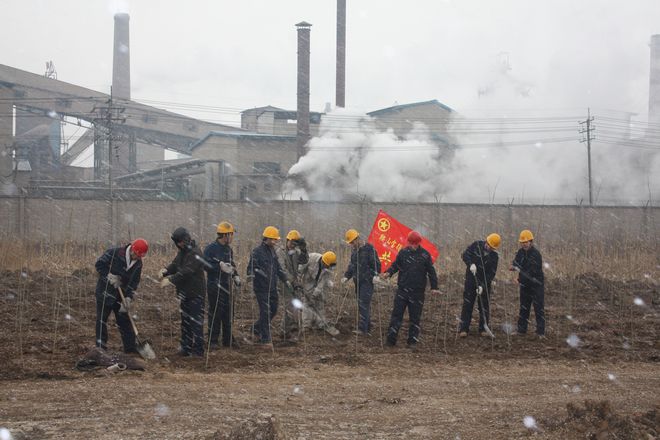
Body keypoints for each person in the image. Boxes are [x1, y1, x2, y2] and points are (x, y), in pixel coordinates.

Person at [381, 231, 439, 347]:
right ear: (408, 242)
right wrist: (388, 273)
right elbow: (395, 265)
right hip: (402, 290)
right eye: (411, 243)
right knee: (396, 316)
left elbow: (431, 272)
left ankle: (412, 341)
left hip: (417, 292)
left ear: (419, 243)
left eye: (415, 243)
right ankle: (391, 340)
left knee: (415, 318)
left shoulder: (425, 255)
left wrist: (434, 287)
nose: (413, 246)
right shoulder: (403, 253)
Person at [94, 238, 149, 353]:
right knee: (101, 320)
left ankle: (130, 348)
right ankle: (101, 348)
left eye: (140, 256)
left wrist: (128, 297)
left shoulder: (138, 264)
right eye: (136, 255)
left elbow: (134, 282)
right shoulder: (114, 253)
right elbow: (99, 264)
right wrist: (109, 276)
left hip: (121, 296)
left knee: (125, 321)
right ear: (132, 249)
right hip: (105, 292)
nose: (137, 258)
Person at [160, 227, 206, 357]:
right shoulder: (182, 252)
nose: (179, 244)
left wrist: (171, 280)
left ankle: (198, 350)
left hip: (195, 294)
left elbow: (187, 271)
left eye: (180, 242)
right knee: (185, 323)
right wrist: (165, 271)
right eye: (177, 242)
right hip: (184, 293)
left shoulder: (195, 253)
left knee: (196, 323)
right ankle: (186, 347)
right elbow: (175, 265)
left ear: (186, 239)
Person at [247, 226, 289, 346]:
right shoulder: (257, 252)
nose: (275, 242)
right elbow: (250, 267)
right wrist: (251, 275)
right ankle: (265, 339)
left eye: (276, 240)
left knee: (273, 310)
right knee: (265, 312)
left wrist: (285, 279)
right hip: (261, 288)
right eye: (274, 239)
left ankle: (256, 328)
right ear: (267, 239)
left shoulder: (272, 252)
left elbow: (278, 268)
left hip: (272, 287)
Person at [203, 221, 241, 350]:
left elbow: (231, 264)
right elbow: (205, 265)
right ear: (225, 235)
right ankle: (213, 340)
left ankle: (227, 339)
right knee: (215, 312)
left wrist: (235, 275)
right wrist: (218, 266)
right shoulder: (210, 249)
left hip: (227, 285)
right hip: (214, 285)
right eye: (231, 234)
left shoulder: (228, 249)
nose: (232, 237)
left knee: (228, 313)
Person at [458, 233, 500, 337]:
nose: (488, 247)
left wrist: (482, 286)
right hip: (471, 280)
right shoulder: (476, 245)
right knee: (468, 304)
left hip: (484, 283)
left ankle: (483, 329)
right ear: (486, 241)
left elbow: (491, 274)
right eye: (488, 244)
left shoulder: (494, 256)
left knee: (484, 306)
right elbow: (465, 254)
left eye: (491, 247)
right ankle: (464, 329)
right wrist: (470, 264)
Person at [342, 229, 381, 335]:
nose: (352, 245)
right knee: (361, 304)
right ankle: (367, 326)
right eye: (350, 243)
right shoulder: (354, 252)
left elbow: (376, 264)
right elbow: (352, 265)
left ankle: (363, 329)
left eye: (352, 242)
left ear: (357, 239)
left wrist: (376, 275)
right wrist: (346, 276)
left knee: (364, 303)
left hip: (367, 281)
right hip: (357, 281)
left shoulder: (369, 249)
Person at [510, 229, 545, 338]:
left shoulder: (536, 254)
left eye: (526, 242)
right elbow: (516, 262)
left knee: (538, 308)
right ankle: (521, 330)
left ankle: (540, 332)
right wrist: (513, 266)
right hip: (525, 286)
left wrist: (519, 280)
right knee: (524, 308)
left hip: (536, 285)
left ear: (531, 241)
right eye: (522, 242)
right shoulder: (520, 252)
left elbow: (531, 272)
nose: (524, 244)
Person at [275, 230, 309, 342]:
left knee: (295, 306)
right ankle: (287, 331)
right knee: (290, 306)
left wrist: (304, 250)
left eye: (295, 244)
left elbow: (304, 260)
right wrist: (292, 281)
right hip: (284, 283)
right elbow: (282, 269)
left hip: (294, 283)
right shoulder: (280, 252)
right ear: (287, 240)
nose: (293, 245)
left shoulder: (296, 252)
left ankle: (286, 330)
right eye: (291, 243)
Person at [299, 251, 340, 336]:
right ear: (323, 261)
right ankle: (306, 326)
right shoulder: (311, 258)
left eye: (328, 267)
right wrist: (298, 280)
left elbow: (321, 284)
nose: (327, 267)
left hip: (318, 284)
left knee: (320, 303)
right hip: (307, 282)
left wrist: (314, 294)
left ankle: (320, 324)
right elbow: (300, 269)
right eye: (326, 266)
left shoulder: (329, 268)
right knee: (307, 304)